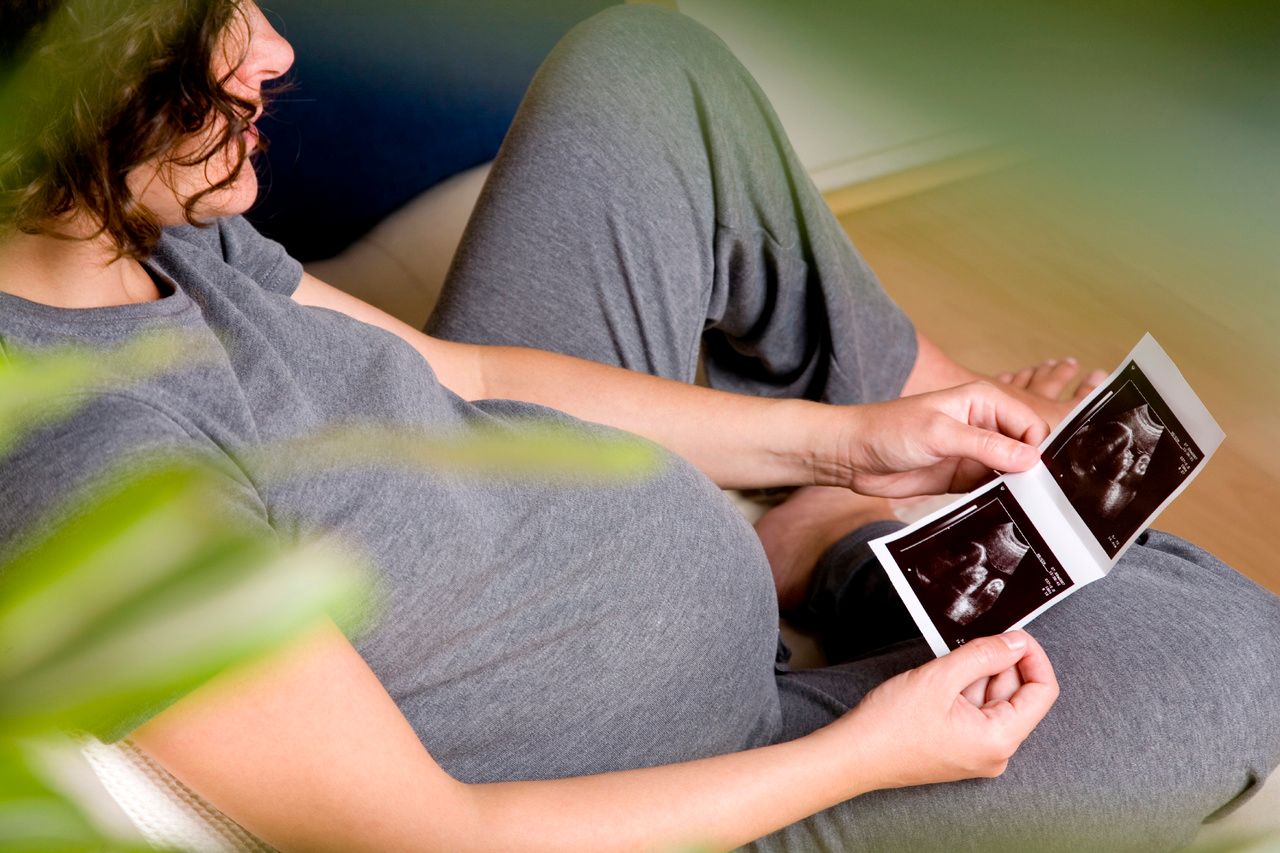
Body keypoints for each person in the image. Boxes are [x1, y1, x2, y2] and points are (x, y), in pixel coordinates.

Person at [1, 1, 1276, 850]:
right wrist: (864, 756)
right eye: (197, 51)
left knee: (646, 66)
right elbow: (441, 838)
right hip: (706, 787)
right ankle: (837, 570)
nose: (273, 52)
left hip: (511, 494)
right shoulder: (91, 473)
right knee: (1232, 650)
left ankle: (842, 518)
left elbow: (462, 367)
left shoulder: (147, 224)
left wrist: (851, 438)